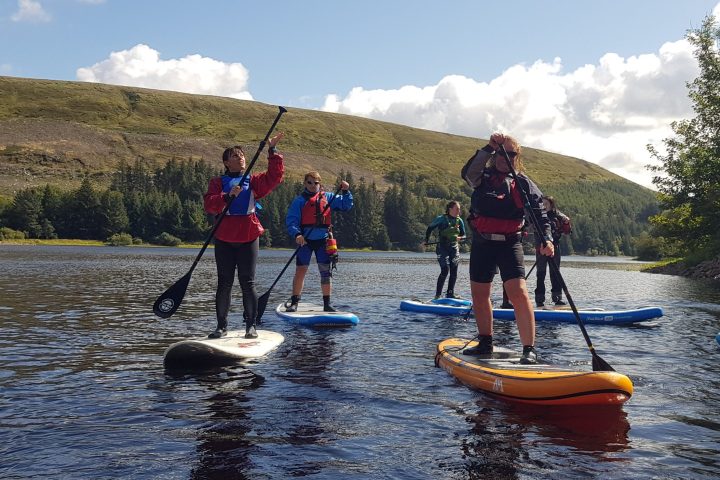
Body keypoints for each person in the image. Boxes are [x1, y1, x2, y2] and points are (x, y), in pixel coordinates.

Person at [460, 132, 554, 364]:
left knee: (518, 292)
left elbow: (539, 213)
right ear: (495, 154)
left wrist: (547, 238)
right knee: (480, 295)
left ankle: (529, 349)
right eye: (501, 152)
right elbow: (467, 173)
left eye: (511, 153)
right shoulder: (482, 176)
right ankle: (485, 342)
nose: (506, 157)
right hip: (483, 242)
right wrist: (489, 148)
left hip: (510, 243)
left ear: (517, 156)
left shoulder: (523, 183)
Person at [203, 133, 285, 340]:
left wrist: (273, 151)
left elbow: (274, 177)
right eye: (234, 155)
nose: (240, 157)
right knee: (224, 283)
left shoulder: (254, 181)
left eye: (241, 155)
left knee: (247, 282)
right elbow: (209, 204)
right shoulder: (217, 182)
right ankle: (221, 327)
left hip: (248, 236)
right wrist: (226, 196)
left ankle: (251, 326)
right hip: (224, 237)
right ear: (225, 162)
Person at [285, 172, 353, 312]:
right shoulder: (299, 201)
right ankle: (295, 302)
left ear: (319, 184)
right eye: (309, 182)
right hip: (305, 240)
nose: (312, 185)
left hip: (323, 240)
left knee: (325, 272)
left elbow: (346, 205)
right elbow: (292, 220)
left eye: (315, 183)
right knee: (301, 270)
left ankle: (327, 304)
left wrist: (346, 191)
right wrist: (297, 234)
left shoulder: (328, 197)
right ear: (305, 183)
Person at [423, 201, 466, 299]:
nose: (459, 211)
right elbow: (430, 228)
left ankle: (450, 294)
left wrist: (461, 238)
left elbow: (464, 235)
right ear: (450, 209)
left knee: (454, 270)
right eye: (457, 209)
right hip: (442, 248)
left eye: (459, 209)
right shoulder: (441, 219)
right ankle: (438, 295)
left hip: (454, 248)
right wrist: (426, 240)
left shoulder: (460, 221)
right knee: (445, 270)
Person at [535, 195, 571, 308]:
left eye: (547, 204)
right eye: (543, 204)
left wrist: (566, 223)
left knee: (555, 273)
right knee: (541, 273)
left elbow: (567, 231)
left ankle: (557, 298)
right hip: (541, 248)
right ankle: (539, 299)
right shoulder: (539, 216)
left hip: (555, 247)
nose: (544, 206)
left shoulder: (558, 216)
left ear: (551, 205)